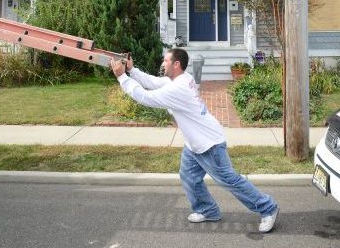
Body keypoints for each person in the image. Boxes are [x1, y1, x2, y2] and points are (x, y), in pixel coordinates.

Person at [110, 48, 279, 233]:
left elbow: (145, 96)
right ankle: (208, 210)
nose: (162, 63)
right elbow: (153, 82)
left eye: (166, 60)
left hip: (209, 144)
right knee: (189, 176)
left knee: (230, 181)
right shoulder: (181, 79)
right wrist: (132, 71)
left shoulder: (177, 88)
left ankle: (268, 208)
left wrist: (122, 77)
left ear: (176, 64)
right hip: (195, 144)